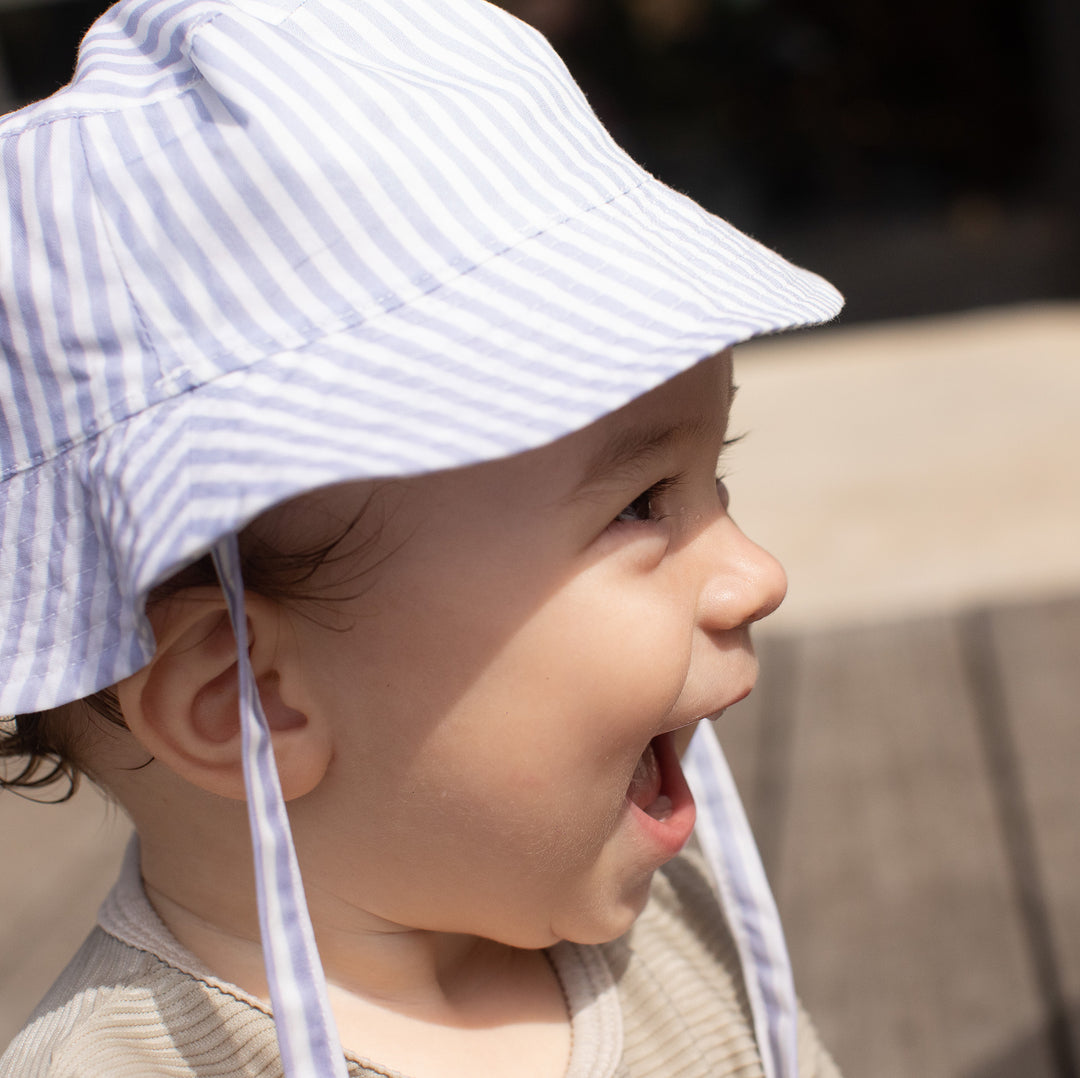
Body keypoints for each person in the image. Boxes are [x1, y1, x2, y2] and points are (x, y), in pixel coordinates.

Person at [0, 0, 844, 1074]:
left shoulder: (681, 936)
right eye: (640, 505)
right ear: (246, 695)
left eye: (709, 479)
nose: (753, 574)